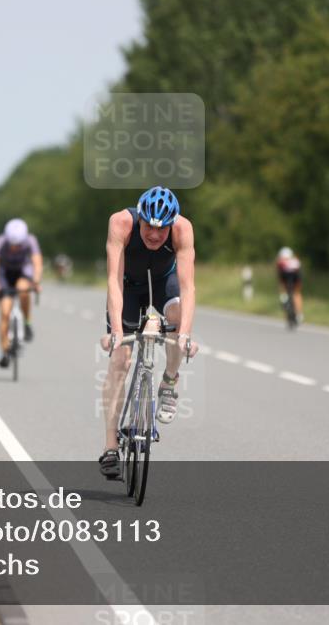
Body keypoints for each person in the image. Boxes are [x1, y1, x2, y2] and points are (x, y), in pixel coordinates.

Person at [98, 186, 199, 479]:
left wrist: (185, 333)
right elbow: (113, 281)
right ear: (140, 219)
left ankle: (168, 382)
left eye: (162, 230)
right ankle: (110, 446)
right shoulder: (120, 223)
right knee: (120, 361)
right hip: (127, 286)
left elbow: (188, 286)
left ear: (171, 225)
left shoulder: (183, 229)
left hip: (163, 282)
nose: (154, 235)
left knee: (178, 318)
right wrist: (116, 332)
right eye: (149, 228)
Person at [0, 219, 42, 368]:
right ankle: (5, 351)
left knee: (23, 290)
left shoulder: (31, 241)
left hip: (23, 271)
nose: (14, 248)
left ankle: (27, 322)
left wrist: (36, 281)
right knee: (4, 313)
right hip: (5, 274)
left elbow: (37, 262)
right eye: (11, 245)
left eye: (17, 245)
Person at [275, 246, 303, 323]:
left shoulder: (280, 261)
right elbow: (299, 273)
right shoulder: (295, 260)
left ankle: (284, 298)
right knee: (297, 293)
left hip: (287, 277)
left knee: (283, 286)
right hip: (295, 277)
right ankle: (299, 314)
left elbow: (279, 276)